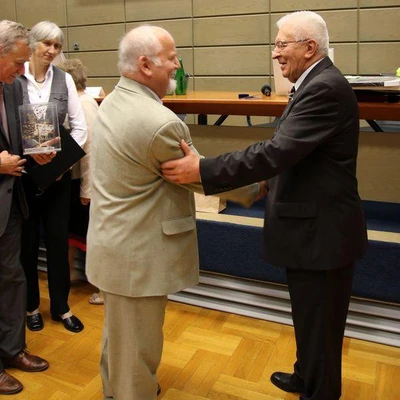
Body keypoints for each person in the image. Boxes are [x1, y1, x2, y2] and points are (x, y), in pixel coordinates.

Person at [161, 11, 368, 400]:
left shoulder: (324, 88)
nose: (274, 54)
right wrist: (264, 185)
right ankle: (305, 376)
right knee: (310, 319)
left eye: (281, 44)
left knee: (320, 326)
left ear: (310, 48)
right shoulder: (315, 82)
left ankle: (318, 391)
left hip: (322, 236)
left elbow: (277, 150)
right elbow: (298, 157)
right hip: (312, 229)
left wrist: (202, 169)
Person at [85, 25, 262, 400]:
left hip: (114, 248)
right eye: (171, 58)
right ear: (146, 64)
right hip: (138, 258)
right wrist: (260, 185)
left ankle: (115, 392)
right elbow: (198, 175)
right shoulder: (160, 122)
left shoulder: (114, 100)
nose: (177, 65)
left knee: (119, 342)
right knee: (137, 350)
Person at [18, 21, 87, 333]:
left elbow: (79, 126)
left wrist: (58, 165)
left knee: (59, 242)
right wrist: (30, 157)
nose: (52, 51)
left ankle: (61, 306)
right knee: (28, 243)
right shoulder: (13, 79)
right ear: (32, 44)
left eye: (57, 46)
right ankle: (31, 306)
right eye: (46, 44)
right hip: (24, 174)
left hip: (58, 175)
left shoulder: (65, 80)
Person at [0, 19, 51, 395]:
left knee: (13, 279)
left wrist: (39, 152)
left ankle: (13, 349)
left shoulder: (15, 88)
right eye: (17, 63)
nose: (23, 71)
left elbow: (26, 136)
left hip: (11, 202)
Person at [58, 58, 103, 305]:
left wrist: (87, 189)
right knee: (73, 233)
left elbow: (90, 153)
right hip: (79, 181)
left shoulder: (84, 106)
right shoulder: (84, 103)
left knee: (92, 236)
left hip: (87, 183)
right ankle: (73, 273)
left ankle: (102, 288)